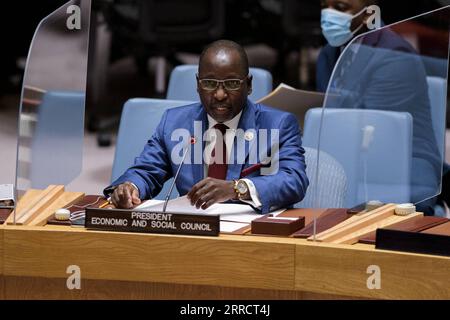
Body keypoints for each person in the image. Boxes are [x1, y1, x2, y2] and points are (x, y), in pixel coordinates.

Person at [104, 40, 309, 214]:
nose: (219, 95)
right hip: (192, 231)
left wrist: (237, 189)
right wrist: (130, 187)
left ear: (249, 85)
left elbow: (294, 180)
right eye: (210, 83)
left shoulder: (278, 125)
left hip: (251, 234)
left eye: (231, 83)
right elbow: (146, 171)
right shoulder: (175, 123)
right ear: (198, 84)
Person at [317, 0, 449, 215]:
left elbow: (378, 137)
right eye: (325, 6)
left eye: (340, 8)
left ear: (369, 14)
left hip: (402, 169)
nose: (328, 15)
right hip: (347, 160)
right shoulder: (329, 54)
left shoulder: (394, 55)